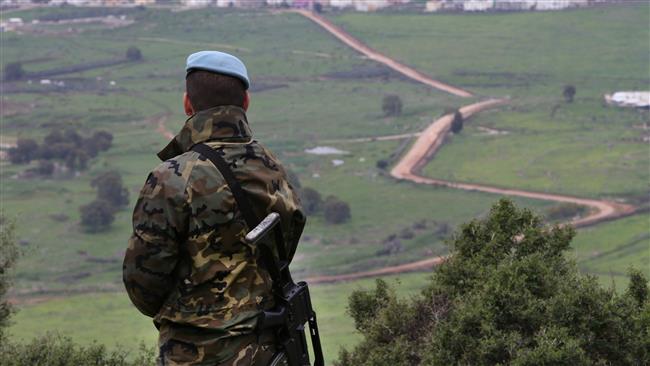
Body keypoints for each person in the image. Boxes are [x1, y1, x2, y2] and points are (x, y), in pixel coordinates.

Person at [123, 50, 305, 366]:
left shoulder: (171, 178)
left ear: (187, 104)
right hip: (269, 350)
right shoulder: (271, 166)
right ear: (246, 103)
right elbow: (284, 248)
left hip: (194, 355)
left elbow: (143, 286)